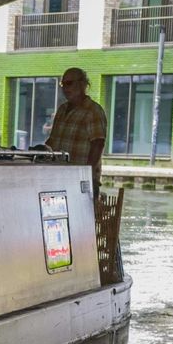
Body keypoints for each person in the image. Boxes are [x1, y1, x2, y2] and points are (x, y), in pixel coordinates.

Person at [41, 67, 122, 283]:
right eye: (63, 84)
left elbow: (98, 143)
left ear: (82, 84)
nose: (65, 89)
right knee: (60, 228)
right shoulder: (62, 110)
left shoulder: (93, 111)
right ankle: (65, 270)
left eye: (69, 84)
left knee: (81, 229)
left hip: (81, 181)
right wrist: (38, 152)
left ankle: (86, 273)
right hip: (58, 180)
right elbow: (54, 141)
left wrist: (84, 173)